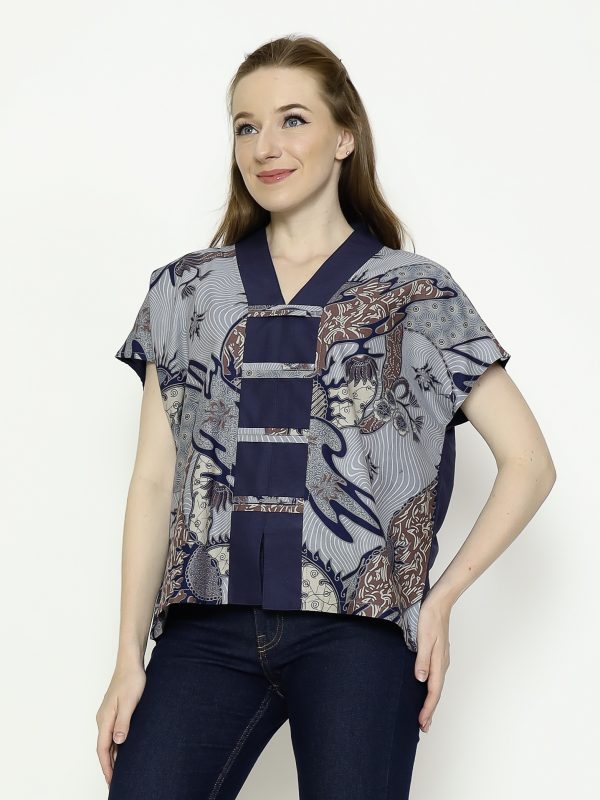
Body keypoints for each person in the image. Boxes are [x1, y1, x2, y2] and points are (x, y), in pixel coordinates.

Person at [96, 34, 556, 800]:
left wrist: (439, 602)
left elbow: (530, 464)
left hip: (359, 636)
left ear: (345, 136)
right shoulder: (186, 291)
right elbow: (153, 481)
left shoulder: (417, 292)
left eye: (293, 120)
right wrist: (125, 660)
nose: (265, 147)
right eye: (246, 126)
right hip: (205, 628)